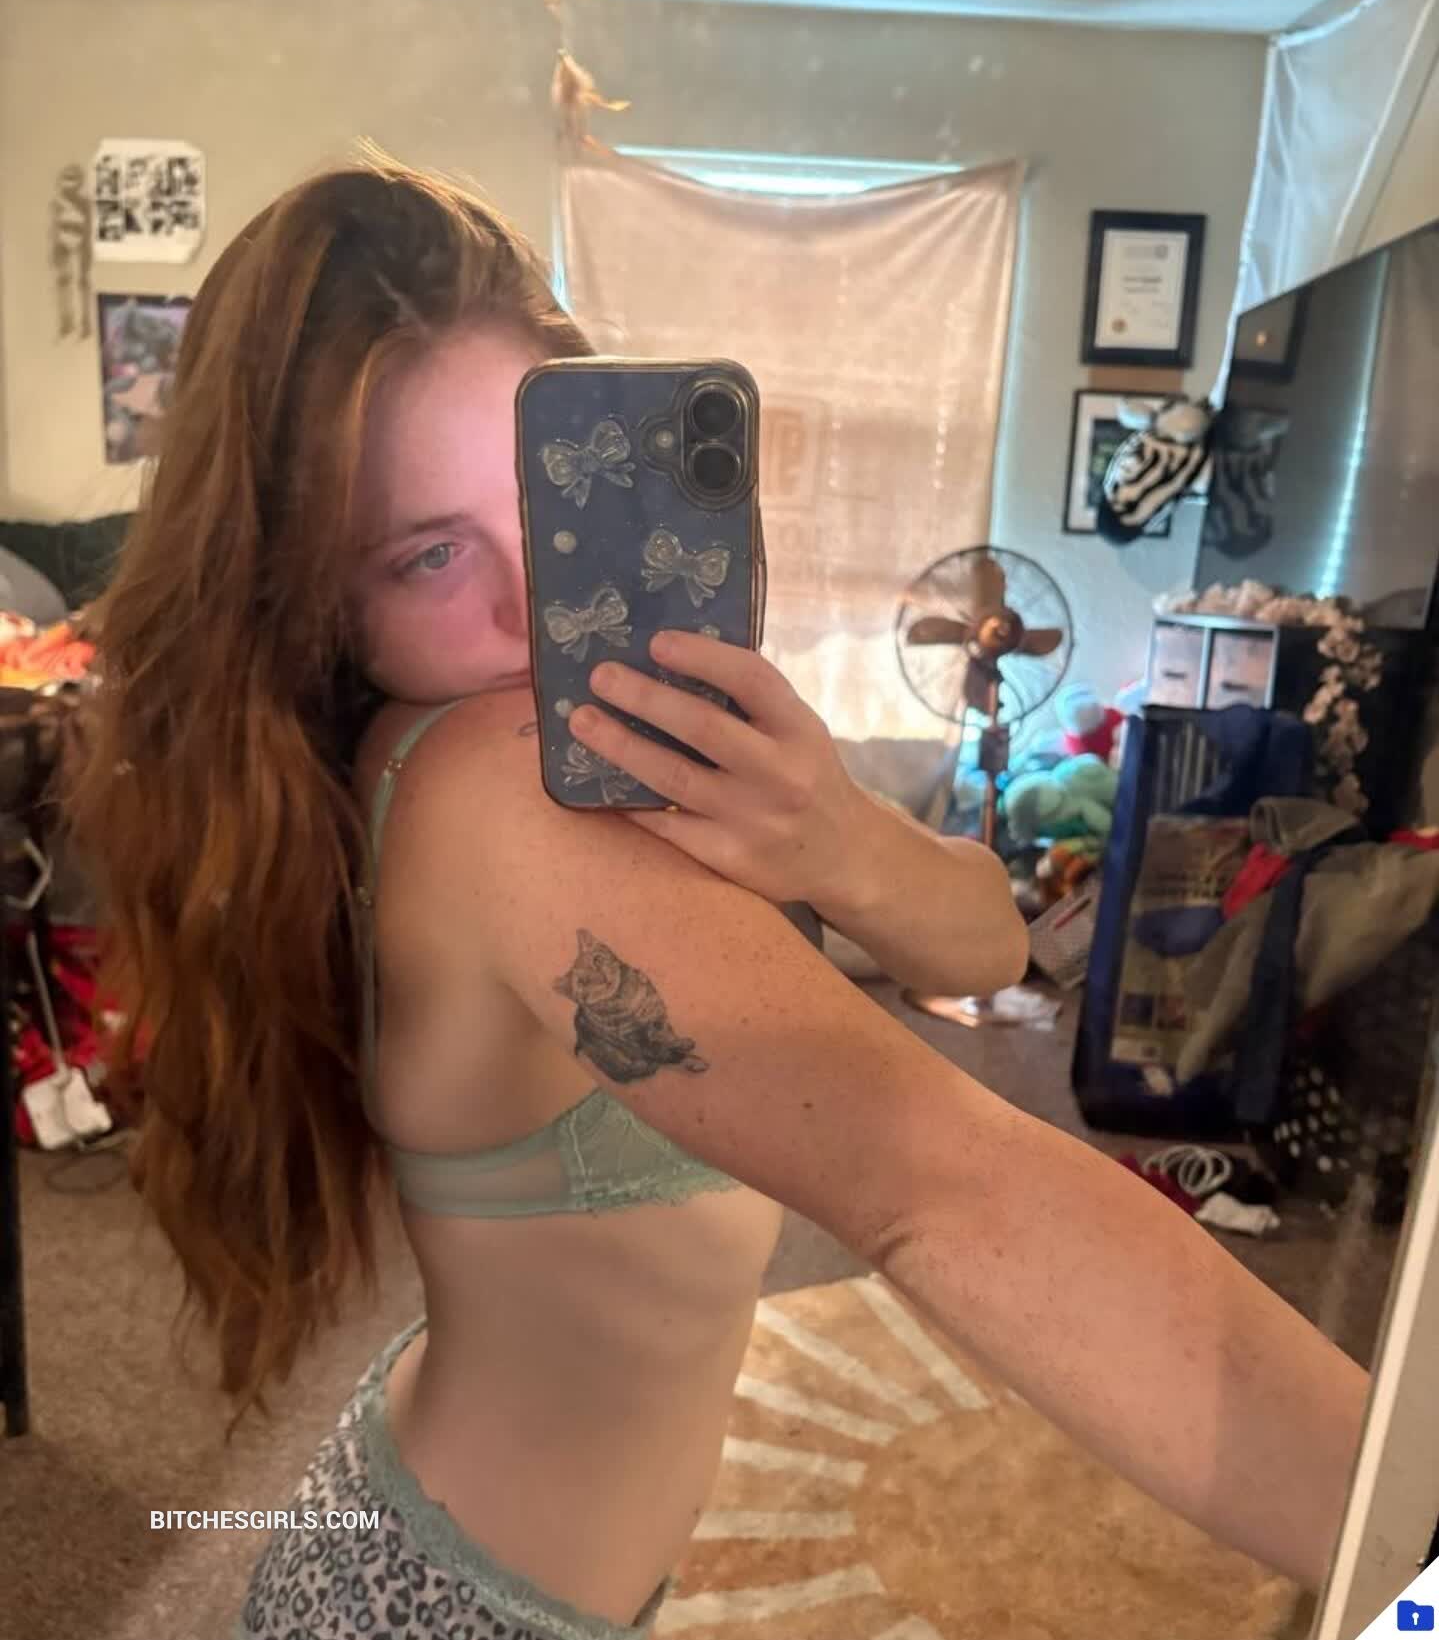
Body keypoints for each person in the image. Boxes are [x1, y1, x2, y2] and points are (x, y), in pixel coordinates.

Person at [63, 151, 1367, 1640]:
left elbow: (988, 941)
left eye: (546, 511)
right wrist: (1403, 1523)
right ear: (320, 603)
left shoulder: (612, 753)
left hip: (458, 1530)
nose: (532, 612)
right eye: (428, 554)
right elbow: (946, 1185)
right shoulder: (498, 784)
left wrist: (834, 836)